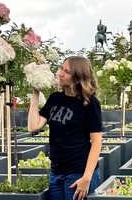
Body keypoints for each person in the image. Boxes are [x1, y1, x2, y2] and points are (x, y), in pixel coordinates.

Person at [28, 56, 102, 200]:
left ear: (78, 77)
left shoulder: (89, 102)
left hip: (78, 172)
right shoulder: (55, 98)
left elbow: (97, 142)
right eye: (61, 69)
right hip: (56, 172)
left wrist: (86, 178)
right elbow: (33, 126)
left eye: (67, 71)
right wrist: (36, 94)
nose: (60, 73)